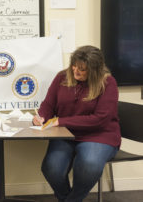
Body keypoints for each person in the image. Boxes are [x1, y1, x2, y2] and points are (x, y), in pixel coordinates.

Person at [33, 45, 121, 202]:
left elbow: (100, 119)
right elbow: (48, 104)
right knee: (51, 169)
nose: (75, 71)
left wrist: (61, 121)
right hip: (65, 135)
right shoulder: (62, 77)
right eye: (73, 66)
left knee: (89, 165)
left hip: (98, 135)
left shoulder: (108, 83)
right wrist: (41, 116)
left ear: (95, 70)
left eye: (82, 69)